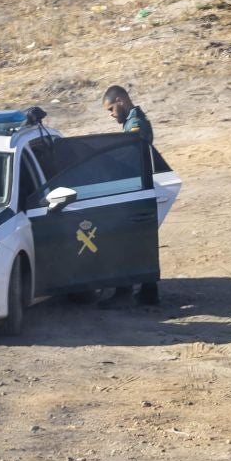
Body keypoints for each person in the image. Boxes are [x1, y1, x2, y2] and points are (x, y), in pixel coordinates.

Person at [97, 85, 161, 309]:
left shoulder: (135, 125)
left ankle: (128, 294)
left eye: (111, 108)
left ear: (121, 100)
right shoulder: (132, 122)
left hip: (135, 191)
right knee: (139, 242)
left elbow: (129, 156)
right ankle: (146, 293)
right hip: (138, 189)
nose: (111, 114)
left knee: (127, 242)